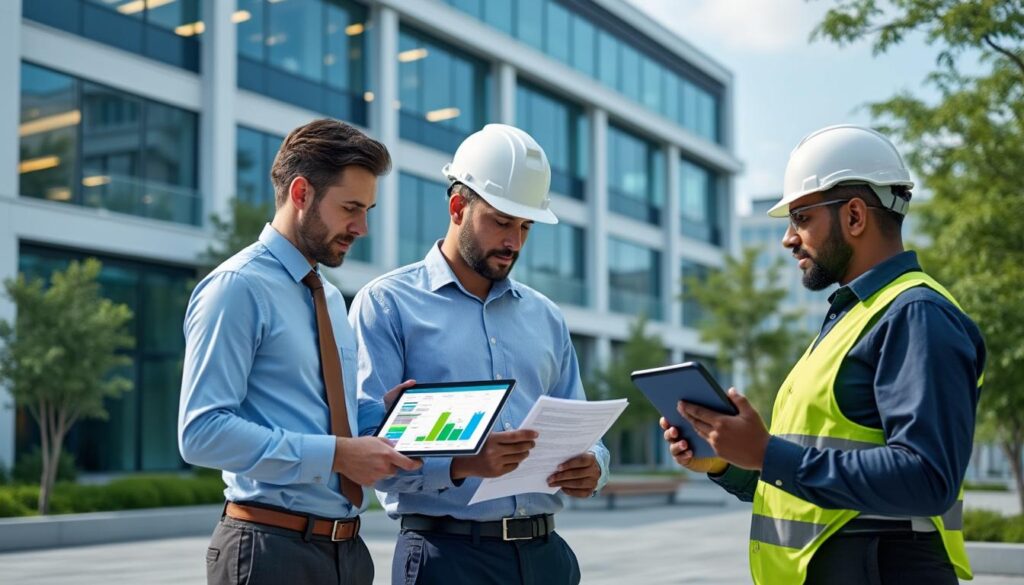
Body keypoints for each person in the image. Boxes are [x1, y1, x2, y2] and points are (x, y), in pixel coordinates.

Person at [661, 124, 985, 585]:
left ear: (854, 216)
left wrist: (766, 453)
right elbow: (808, 484)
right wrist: (728, 461)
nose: (788, 238)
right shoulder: (853, 318)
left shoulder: (916, 314)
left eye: (801, 218)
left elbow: (927, 478)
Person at [350, 124, 610, 585]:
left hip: (547, 558)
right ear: (457, 208)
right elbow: (367, 450)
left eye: (525, 226)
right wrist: (464, 464)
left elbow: (583, 427)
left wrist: (594, 466)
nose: (514, 242)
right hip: (446, 559)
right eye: (502, 221)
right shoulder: (387, 304)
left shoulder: (546, 316)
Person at [179, 118, 421, 585]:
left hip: (346, 553)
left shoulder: (329, 297)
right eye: (351, 208)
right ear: (301, 193)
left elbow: (319, 413)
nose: (362, 228)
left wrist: (379, 415)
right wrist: (336, 455)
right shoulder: (236, 288)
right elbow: (201, 433)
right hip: (269, 552)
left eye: (367, 210)